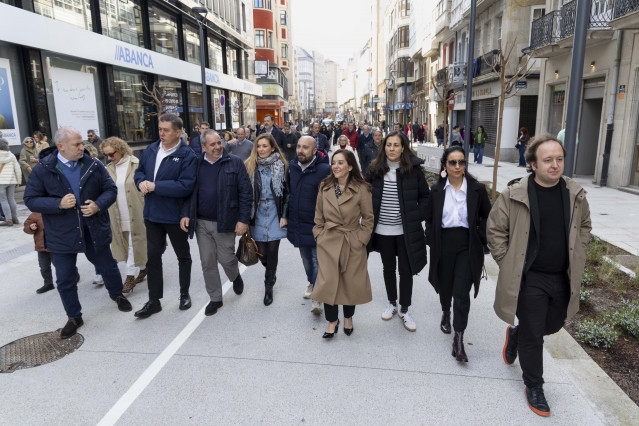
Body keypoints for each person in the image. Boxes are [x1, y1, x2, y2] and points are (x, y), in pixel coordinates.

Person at [487, 134, 591, 417]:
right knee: (535, 334)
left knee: (554, 324)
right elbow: (495, 230)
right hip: (529, 276)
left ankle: (516, 335)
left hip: (562, 275)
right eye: (548, 160)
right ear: (532, 164)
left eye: (559, 159)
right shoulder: (514, 194)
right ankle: (534, 386)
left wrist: (580, 251)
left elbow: (584, 226)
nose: (555, 165)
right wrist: (507, 262)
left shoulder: (575, 193)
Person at [23, 127, 132, 338]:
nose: (82, 147)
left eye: (82, 143)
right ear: (61, 146)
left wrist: (98, 205)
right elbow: (30, 199)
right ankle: (74, 316)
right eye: (77, 144)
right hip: (61, 233)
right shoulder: (44, 168)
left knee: (107, 266)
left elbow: (110, 189)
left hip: (93, 229)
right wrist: (58, 203)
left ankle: (117, 295)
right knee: (64, 278)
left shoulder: (93, 164)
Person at [425, 145, 491, 362]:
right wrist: (431, 238)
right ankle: (446, 311)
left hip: (467, 246)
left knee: (461, 293)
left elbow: (486, 218)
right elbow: (431, 219)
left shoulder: (477, 189)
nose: (457, 166)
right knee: (445, 285)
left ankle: (459, 338)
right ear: (444, 165)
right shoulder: (436, 190)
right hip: (443, 244)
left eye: (461, 162)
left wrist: (481, 238)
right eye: (452, 162)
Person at [181, 130, 252, 316]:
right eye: (212, 144)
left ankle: (235, 276)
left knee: (226, 259)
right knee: (207, 261)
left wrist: (243, 220)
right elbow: (188, 191)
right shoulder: (196, 163)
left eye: (219, 143)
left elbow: (246, 192)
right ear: (203, 147)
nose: (217, 147)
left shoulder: (234, 162)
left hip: (225, 221)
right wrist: (186, 214)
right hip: (201, 223)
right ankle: (215, 299)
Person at [133, 113, 198, 318]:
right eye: (160, 129)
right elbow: (140, 172)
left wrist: (155, 186)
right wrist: (140, 182)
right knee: (153, 257)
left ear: (178, 132)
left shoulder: (188, 155)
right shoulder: (151, 149)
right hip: (152, 215)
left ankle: (184, 294)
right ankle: (154, 301)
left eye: (166, 130)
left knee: (183, 256)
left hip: (175, 216)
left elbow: (185, 186)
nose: (161, 133)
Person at [368, 131, 429, 332]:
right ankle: (392, 303)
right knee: (388, 269)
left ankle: (404, 308)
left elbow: (425, 198)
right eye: (388, 145)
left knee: (406, 270)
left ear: (403, 148)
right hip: (383, 230)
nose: (392, 149)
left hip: (405, 231)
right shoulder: (375, 169)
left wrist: (415, 216)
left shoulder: (414, 170)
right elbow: (365, 195)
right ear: (383, 147)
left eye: (396, 145)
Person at [312, 149, 374, 338]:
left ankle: (348, 318)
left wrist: (360, 240)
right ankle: (332, 321)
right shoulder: (325, 186)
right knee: (328, 282)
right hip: (328, 241)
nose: (336, 166)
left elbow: (368, 219)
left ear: (350, 166)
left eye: (340, 163)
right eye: (334, 163)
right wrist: (319, 236)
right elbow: (318, 217)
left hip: (351, 241)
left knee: (350, 283)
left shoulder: (361, 188)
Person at [287, 135, 331, 315]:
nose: (300, 150)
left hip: (316, 225)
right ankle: (313, 283)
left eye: (305, 148)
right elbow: (288, 194)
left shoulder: (324, 170)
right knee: (306, 261)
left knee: (316, 260)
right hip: (297, 223)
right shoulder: (292, 168)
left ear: (314, 151)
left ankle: (317, 298)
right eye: (298, 146)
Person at [245, 133, 289, 306]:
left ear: (272, 148)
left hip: (274, 212)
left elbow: (287, 193)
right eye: (259, 146)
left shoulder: (282, 165)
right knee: (262, 252)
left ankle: (268, 286)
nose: (262, 149)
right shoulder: (249, 165)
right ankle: (271, 269)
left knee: (272, 250)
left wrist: (285, 215)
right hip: (256, 213)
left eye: (265, 146)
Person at [101, 137, 148, 293]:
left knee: (134, 242)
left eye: (111, 154)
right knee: (127, 244)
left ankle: (129, 276)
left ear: (120, 149)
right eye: (106, 155)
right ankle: (143, 267)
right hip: (117, 212)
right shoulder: (108, 169)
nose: (109, 158)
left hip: (135, 211)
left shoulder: (137, 164)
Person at [23, 212, 58, 294]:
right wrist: (31, 228)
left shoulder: (53, 211)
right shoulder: (34, 214)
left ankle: (73, 275)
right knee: (44, 267)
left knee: (59, 264)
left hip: (55, 245)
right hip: (41, 247)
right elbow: (26, 227)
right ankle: (48, 283)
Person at [0, 138, 21, 226]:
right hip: (12, 180)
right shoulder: (11, 155)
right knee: (11, 199)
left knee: (3, 200)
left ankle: (8, 219)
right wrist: (18, 181)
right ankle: (14, 218)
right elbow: (17, 169)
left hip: (1, 181)